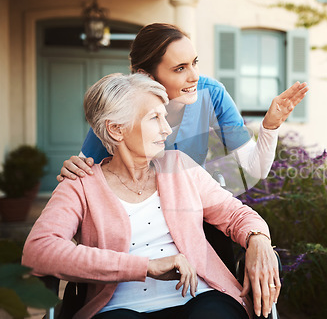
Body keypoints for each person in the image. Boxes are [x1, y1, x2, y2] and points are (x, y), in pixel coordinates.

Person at [22, 73, 280, 319]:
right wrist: (144, 266)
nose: (167, 129)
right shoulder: (80, 184)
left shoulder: (180, 166)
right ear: (116, 129)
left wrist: (258, 239)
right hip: (118, 308)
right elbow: (38, 251)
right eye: (154, 118)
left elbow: (236, 214)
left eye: (165, 117)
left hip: (201, 298)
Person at [58, 23, 308, 193]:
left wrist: (270, 126)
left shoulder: (212, 93)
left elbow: (256, 169)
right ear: (146, 75)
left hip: (186, 207)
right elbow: (82, 171)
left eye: (194, 63)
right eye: (180, 68)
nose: (194, 76)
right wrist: (73, 169)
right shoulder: (121, 105)